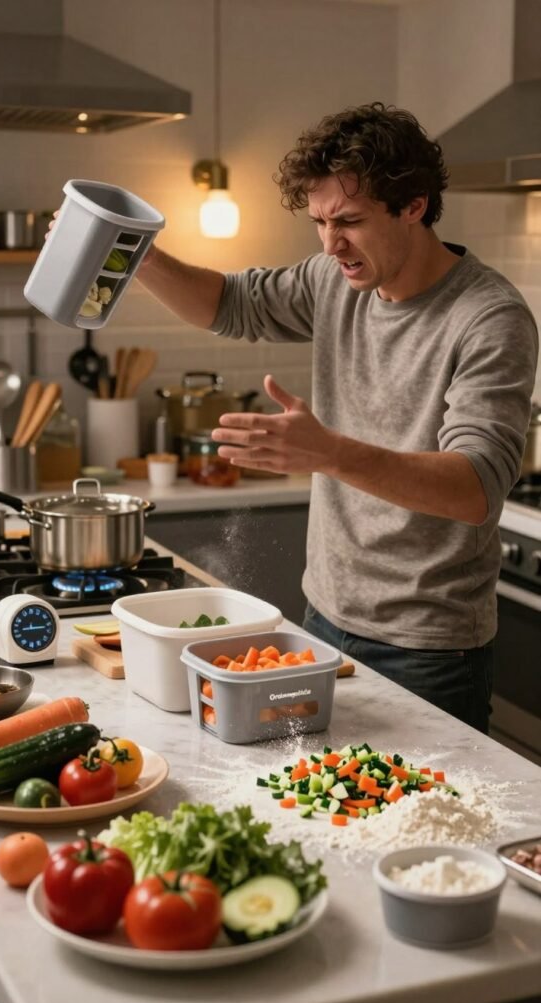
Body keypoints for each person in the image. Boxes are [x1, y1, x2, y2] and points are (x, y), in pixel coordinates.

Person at [136, 101, 538, 733]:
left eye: (349, 220)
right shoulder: (334, 280)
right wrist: (135, 253)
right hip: (323, 618)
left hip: (429, 646)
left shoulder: (488, 318)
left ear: (413, 205)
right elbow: (231, 303)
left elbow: (475, 488)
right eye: (320, 221)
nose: (330, 243)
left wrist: (326, 452)